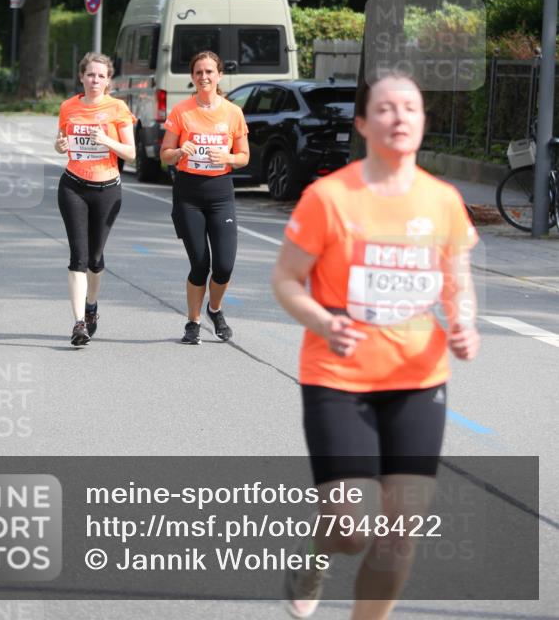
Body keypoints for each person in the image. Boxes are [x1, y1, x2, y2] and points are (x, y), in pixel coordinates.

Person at [271, 72, 480, 620]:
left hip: (418, 379)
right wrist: (320, 318)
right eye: (385, 109)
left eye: (410, 108)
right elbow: (287, 281)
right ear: (363, 123)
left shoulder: (443, 201)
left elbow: (458, 282)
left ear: (423, 121)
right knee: (352, 528)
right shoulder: (329, 198)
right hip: (338, 378)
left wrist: (465, 324)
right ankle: (316, 555)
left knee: (398, 536)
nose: (400, 117)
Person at [160, 50, 250, 345]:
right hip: (189, 194)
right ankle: (193, 321)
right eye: (199, 72)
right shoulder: (181, 111)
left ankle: (215, 309)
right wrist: (178, 152)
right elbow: (165, 155)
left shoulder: (233, 112)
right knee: (200, 263)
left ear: (219, 75)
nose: (204, 77)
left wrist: (228, 156)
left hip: (220, 193)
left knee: (224, 265)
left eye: (209, 71)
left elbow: (244, 157)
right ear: (192, 77)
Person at [54, 52, 135, 346]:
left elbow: (131, 153)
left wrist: (107, 141)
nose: (95, 80)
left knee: (96, 259)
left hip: (107, 189)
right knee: (78, 257)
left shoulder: (117, 108)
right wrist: (60, 144)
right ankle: (78, 324)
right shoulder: (68, 107)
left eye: (101, 76)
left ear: (108, 80)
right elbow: (61, 142)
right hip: (73, 186)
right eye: (90, 75)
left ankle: (91, 306)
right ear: (81, 76)